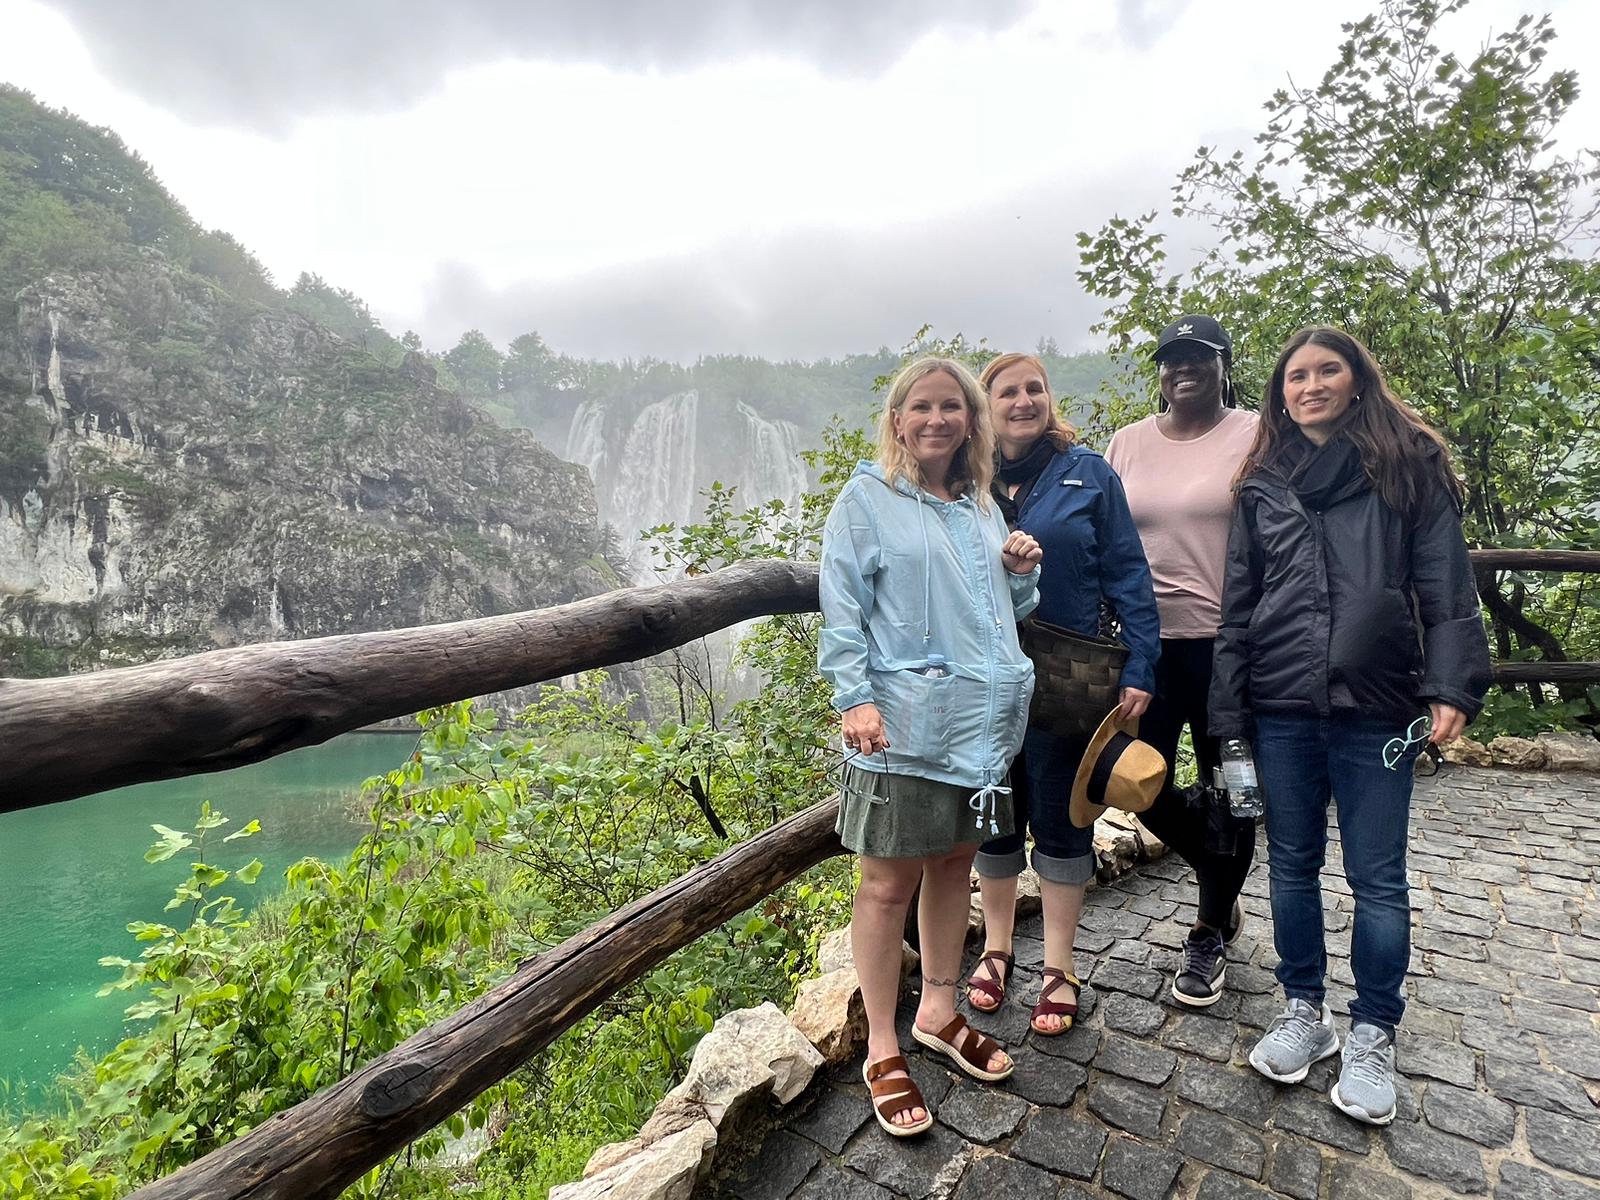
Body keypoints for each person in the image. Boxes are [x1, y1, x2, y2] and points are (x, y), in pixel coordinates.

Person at [1210, 326, 1491, 1125]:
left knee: (1378, 877)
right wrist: (1229, 711)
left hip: (1378, 702)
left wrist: (1451, 683)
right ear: (1279, 392)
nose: (1310, 385)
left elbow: (1444, 583)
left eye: (1326, 369)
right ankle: (1306, 1010)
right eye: (1295, 376)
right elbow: (1240, 606)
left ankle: (1374, 1030)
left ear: (1357, 378)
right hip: (1282, 703)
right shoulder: (1261, 481)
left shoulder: (1409, 465)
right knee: (1291, 865)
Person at [819, 356, 1044, 1137]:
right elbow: (841, 606)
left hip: (979, 728)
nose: (939, 419)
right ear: (898, 419)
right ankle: (883, 1042)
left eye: (954, 406)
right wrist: (853, 696)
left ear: (972, 421)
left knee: (955, 864)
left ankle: (938, 1011)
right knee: (885, 885)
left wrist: (1019, 571)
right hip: (906, 727)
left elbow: (998, 608)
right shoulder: (867, 499)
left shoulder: (981, 502)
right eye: (924, 406)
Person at [964, 352, 1160, 1036]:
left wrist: (1141, 665)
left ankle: (1057, 966)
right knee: (994, 813)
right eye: (1007, 392)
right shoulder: (964, 482)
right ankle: (994, 950)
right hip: (983, 682)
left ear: (1049, 399)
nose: (1023, 401)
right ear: (985, 408)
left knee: (1062, 816)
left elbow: (1130, 573)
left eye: (1034, 389)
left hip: (1069, 679)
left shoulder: (1090, 474)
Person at [1103, 314, 1261, 1008]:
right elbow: (1102, 536)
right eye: (1171, 358)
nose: (1183, 368)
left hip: (1236, 647)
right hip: (1147, 648)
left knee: (1237, 787)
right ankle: (1214, 855)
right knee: (1126, 779)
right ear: (1159, 371)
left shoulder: (1258, 434)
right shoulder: (1127, 444)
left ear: (1225, 363)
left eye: (1198, 356)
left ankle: (1209, 928)